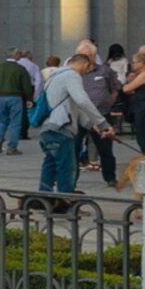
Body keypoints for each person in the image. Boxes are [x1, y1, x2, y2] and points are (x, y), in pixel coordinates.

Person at [37, 49, 108, 196]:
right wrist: (102, 123)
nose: (86, 73)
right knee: (67, 167)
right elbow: (82, 100)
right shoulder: (71, 75)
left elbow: (73, 107)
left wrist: (91, 125)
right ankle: (67, 202)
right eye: (88, 69)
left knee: (49, 164)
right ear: (83, 64)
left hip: (48, 128)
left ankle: (44, 198)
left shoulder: (52, 77)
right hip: (62, 128)